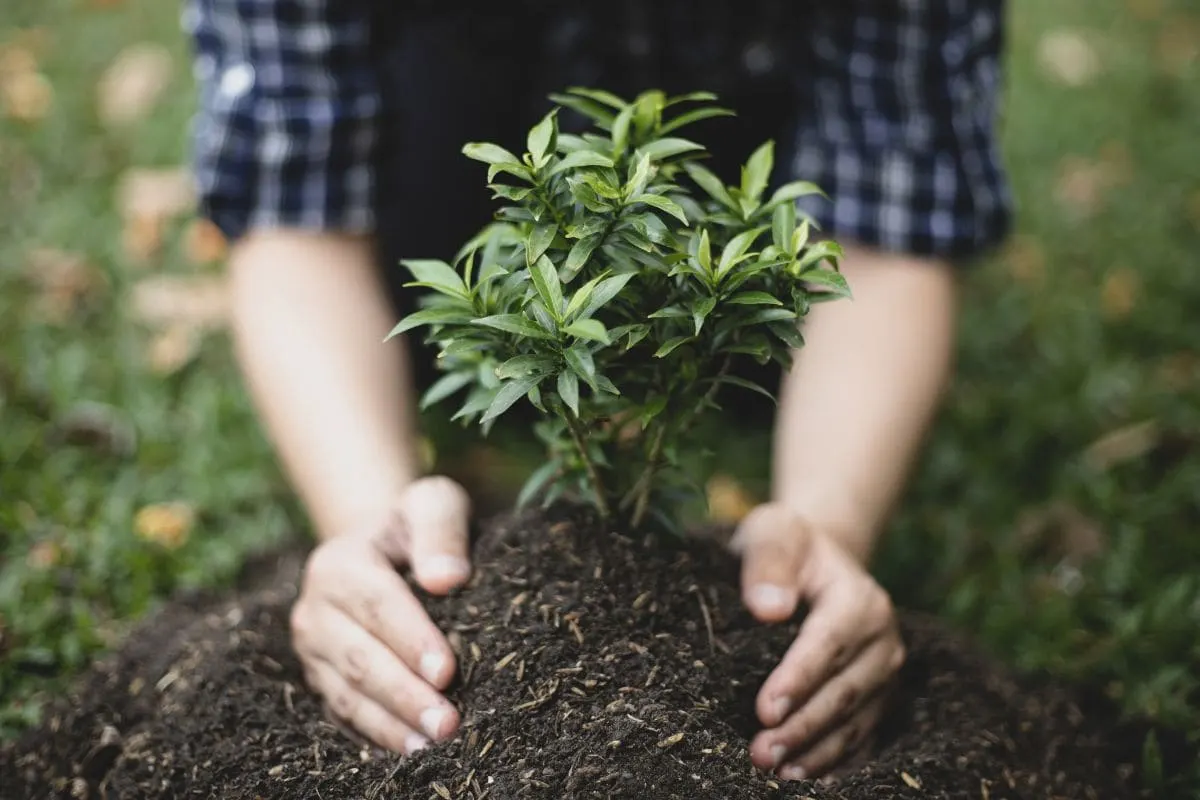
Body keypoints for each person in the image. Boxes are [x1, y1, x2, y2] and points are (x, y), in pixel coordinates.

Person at [185, 0, 1010, 783]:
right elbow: (291, 205)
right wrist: (368, 516)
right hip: (451, 210)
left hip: (730, 264)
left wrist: (828, 525)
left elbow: (892, 217)